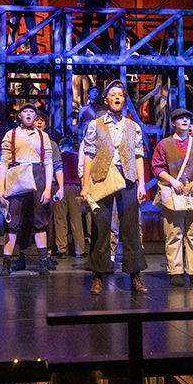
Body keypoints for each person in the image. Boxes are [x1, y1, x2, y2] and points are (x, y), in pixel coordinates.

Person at [81, 80, 148, 294]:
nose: (117, 97)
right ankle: (98, 276)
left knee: (131, 228)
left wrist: (141, 184)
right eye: (113, 94)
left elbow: (138, 155)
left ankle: (135, 276)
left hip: (127, 178)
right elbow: (88, 155)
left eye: (120, 94)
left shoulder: (133, 126)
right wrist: (85, 185)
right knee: (101, 227)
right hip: (102, 178)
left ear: (124, 99)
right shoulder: (95, 124)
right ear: (106, 99)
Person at [153, 109, 193, 286]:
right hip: (173, 192)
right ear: (173, 123)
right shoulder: (164, 144)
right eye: (181, 118)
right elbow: (157, 167)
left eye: (188, 118)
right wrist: (172, 180)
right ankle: (176, 271)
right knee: (174, 232)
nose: (185, 121)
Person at [0, 104, 54, 275]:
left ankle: (43, 262)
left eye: (31, 112)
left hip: (38, 175)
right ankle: (6, 263)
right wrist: (1, 186)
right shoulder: (11, 134)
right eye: (25, 111)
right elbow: (4, 162)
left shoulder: (43, 136)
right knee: (13, 221)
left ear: (35, 116)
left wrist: (48, 188)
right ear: (19, 115)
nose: (29, 114)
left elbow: (49, 162)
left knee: (40, 219)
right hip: (18, 175)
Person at [35, 113, 64, 268]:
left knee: (47, 220)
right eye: (37, 120)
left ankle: (47, 254)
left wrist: (61, 187)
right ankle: (22, 255)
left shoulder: (51, 144)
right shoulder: (26, 141)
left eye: (42, 121)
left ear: (45, 125)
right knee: (27, 219)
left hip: (48, 185)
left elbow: (58, 165)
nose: (39, 123)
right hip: (29, 184)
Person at [53, 137, 86, 257]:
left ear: (60, 147)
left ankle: (62, 249)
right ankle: (79, 250)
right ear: (71, 147)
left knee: (60, 220)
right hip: (74, 190)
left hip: (59, 189)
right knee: (76, 221)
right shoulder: (76, 158)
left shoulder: (57, 158)